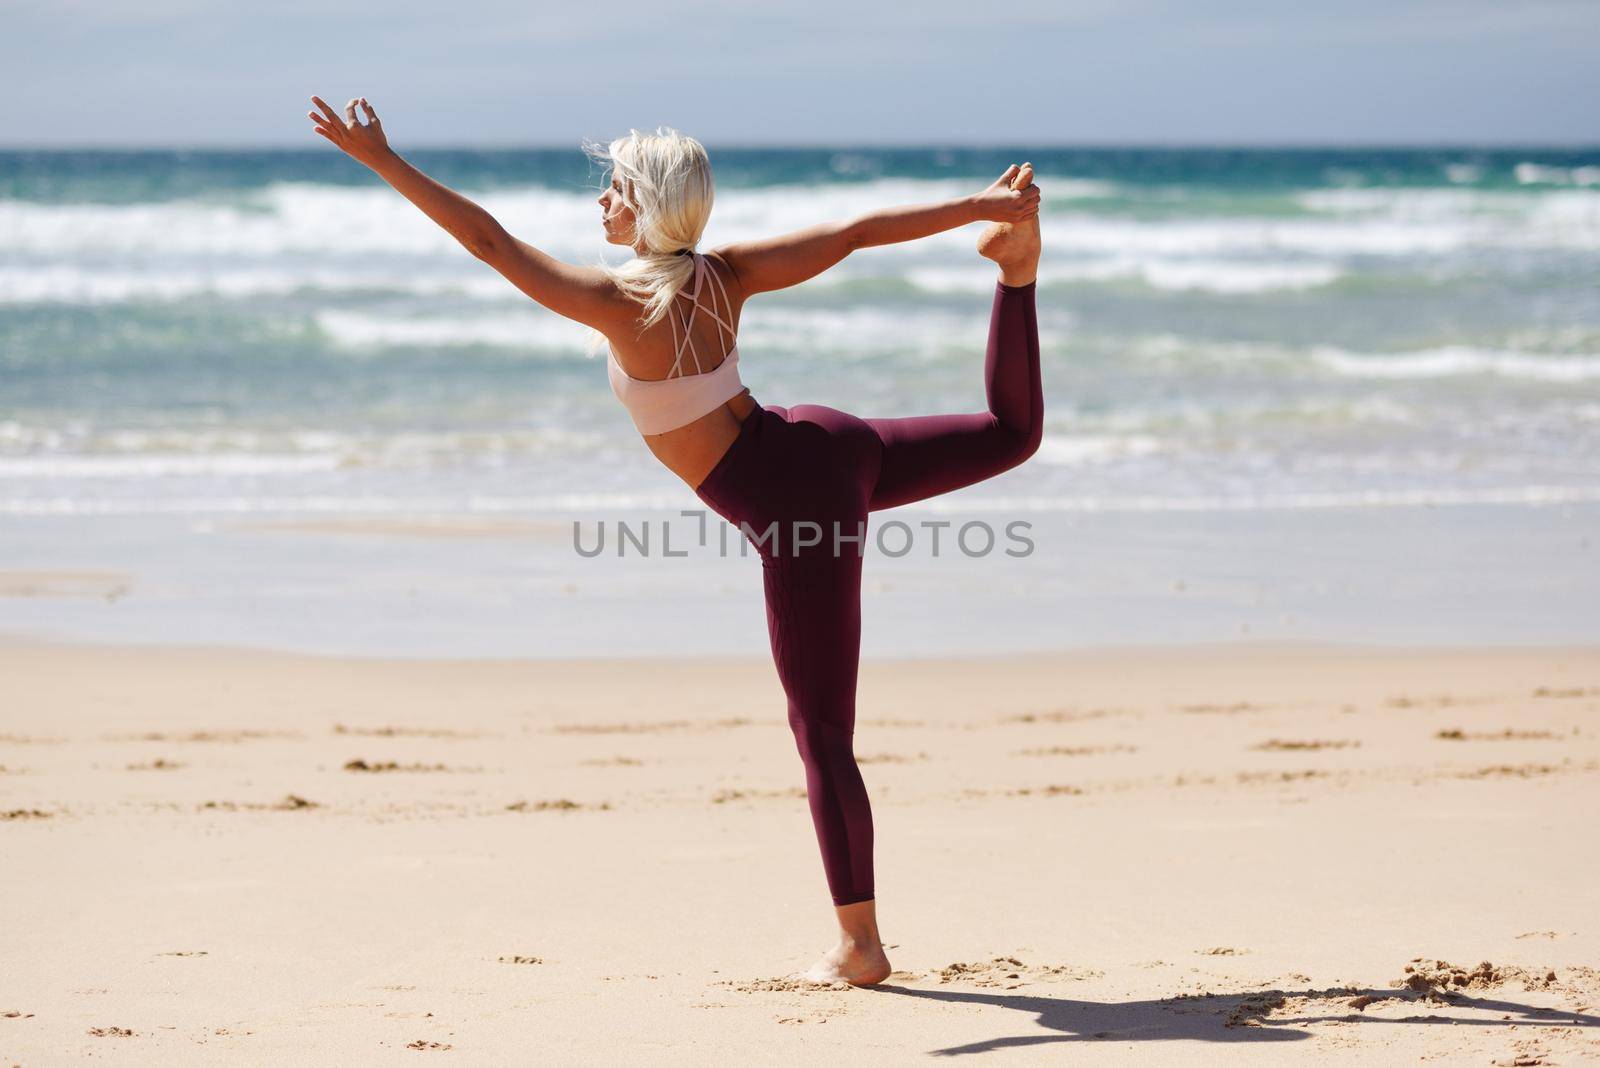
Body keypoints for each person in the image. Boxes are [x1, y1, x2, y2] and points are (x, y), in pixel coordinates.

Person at [307, 96, 1043, 987]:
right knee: (1010, 434)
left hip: (798, 508)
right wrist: (975, 209)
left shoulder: (619, 304)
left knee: (823, 734)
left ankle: (862, 946)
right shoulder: (723, 274)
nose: (602, 202)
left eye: (614, 187)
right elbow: (850, 233)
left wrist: (383, 160)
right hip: (825, 445)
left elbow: (491, 244)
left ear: (647, 202)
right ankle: (1018, 275)